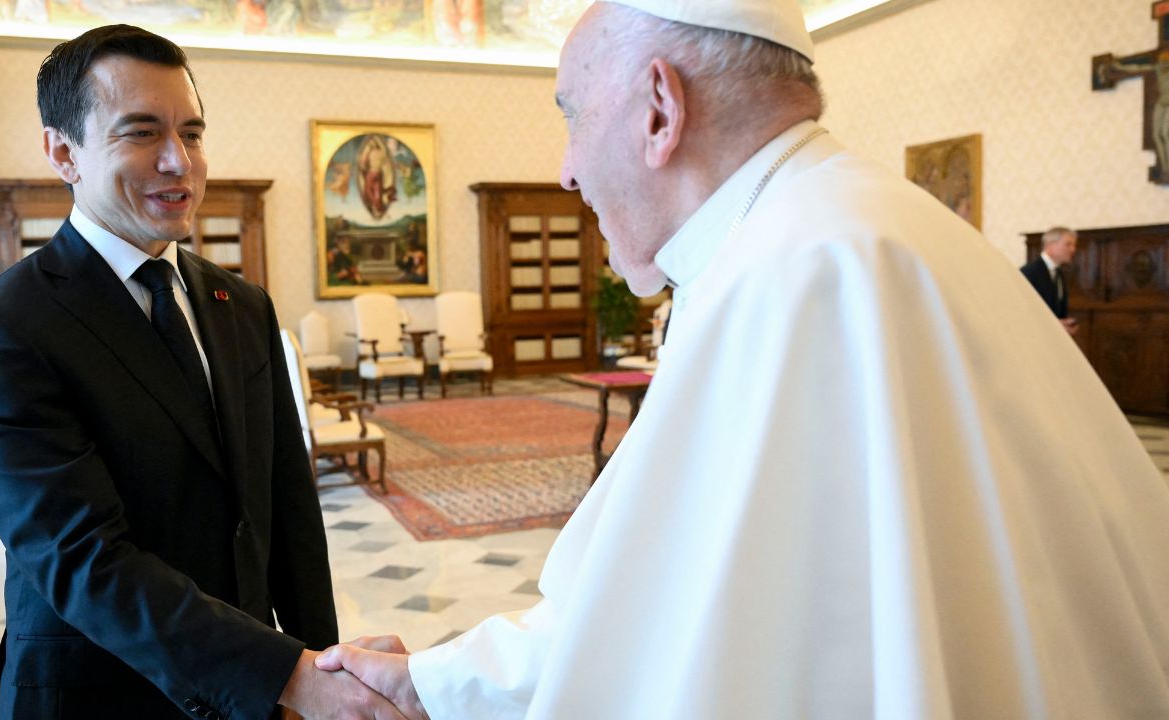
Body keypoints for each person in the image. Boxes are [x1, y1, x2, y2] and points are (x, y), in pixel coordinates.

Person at [316, 1, 1169, 718]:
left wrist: (431, 686)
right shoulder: (876, 224)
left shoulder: (791, 275)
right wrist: (435, 680)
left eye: (571, 117)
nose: (568, 171)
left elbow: (670, 641)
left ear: (659, 108)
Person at [0, 25, 404, 720]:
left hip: (248, 693)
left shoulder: (242, 305)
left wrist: (324, 668)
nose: (178, 162)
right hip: (95, 695)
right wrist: (289, 677)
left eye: (193, 132)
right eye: (143, 132)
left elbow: (288, 515)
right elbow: (85, 560)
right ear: (63, 151)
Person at [1020, 225, 1078, 334]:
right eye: (1068, 244)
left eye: (1074, 245)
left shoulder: (1059, 272)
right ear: (1051, 245)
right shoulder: (1029, 272)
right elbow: (1023, 310)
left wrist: (1063, 324)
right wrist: (1054, 324)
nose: (1073, 249)